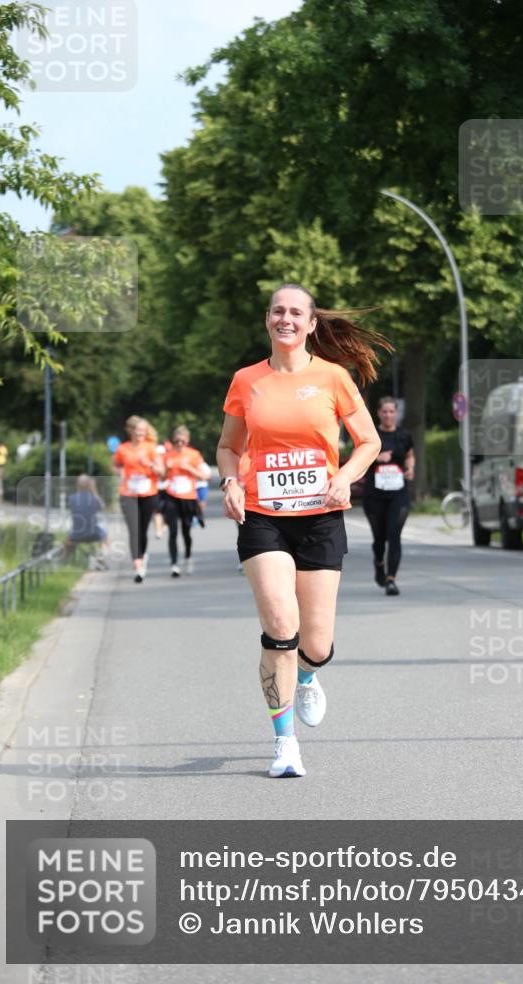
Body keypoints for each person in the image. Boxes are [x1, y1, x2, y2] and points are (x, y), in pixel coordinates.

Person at [217, 283, 390, 777]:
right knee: (280, 627)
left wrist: (343, 476)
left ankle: (308, 677)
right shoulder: (246, 380)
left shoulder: (333, 378)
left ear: (312, 324)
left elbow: (369, 442)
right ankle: (285, 743)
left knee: (314, 645)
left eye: (296, 312)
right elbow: (228, 446)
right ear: (267, 320)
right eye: (277, 311)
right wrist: (230, 480)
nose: (285, 319)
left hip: (319, 516)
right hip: (263, 515)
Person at [362, 396, 415, 596]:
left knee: (394, 534)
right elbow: (358, 458)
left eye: (392, 411)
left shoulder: (404, 435)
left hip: (398, 492)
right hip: (375, 494)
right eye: (384, 411)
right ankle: (379, 563)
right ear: (378, 413)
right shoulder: (370, 436)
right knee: (379, 538)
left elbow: (410, 454)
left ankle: (391, 579)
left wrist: (410, 469)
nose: (388, 415)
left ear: (396, 413)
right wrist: (377, 457)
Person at [112, 416, 163, 583]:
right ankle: (137, 564)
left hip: (149, 493)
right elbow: (115, 464)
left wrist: (147, 463)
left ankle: (142, 554)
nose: (141, 433)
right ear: (131, 431)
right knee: (133, 529)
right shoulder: (123, 448)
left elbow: (161, 472)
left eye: (143, 430)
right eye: (138, 430)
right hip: (128, 493)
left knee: (142, 528)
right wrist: (118, 472)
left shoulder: (151, 448)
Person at [162, 425, 210, 577]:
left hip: (188, 497)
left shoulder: (194, 455)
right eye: (177, 441)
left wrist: (190, 468)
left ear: (187, 441)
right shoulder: (167, 455)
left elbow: (204, 476)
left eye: (183, 441)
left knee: (186, 530)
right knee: (172, 530)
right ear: (173, 440)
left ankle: (188, 557)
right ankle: (174, 564)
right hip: (172, 495)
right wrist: (166, 469)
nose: (180, 444)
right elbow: (162, 477)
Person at [65, 474, 109, 567]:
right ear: (90, 486)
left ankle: (66, 559)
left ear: (77, 485)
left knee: (68, 536)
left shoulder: (71, 498)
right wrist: (94, 490)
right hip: (93, 533)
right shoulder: (94, 498)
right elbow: (102, 506)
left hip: (76, 535)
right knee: (105, 535)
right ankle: (101, 556)